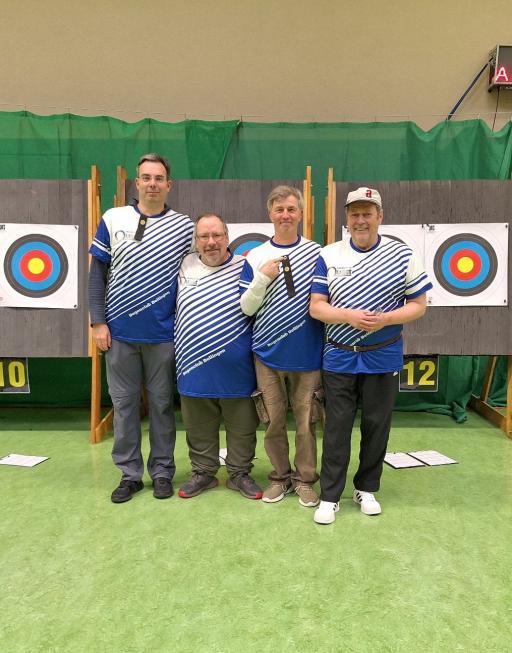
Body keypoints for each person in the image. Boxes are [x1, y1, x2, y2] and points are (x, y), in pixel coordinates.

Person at [309, 186, 433, 524]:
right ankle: (330, 495)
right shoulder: (329, 254)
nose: (360, 220)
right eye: (355, 214)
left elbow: (418, 305)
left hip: (383, 355)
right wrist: (348, 316)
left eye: (367, 213)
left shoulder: (403, 254)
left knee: (377, 426)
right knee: (336, 428)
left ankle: (366, 488)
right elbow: (317, 307)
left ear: (380, 216)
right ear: (347, 219)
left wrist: (386, 319)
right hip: (339, 356)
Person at [88, 153, 193, 503]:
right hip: (118, 334)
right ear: (137, 183)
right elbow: (97, 274)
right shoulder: (113, 217)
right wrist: (98, 321)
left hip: (163, 335)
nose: (152, 184)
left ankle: (162, 472)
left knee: (162, 405)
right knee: (124, 406)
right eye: (146, 177)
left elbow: (196, 272)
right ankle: (129, 474)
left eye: (159, 178)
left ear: (169, 185)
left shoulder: (184, 226)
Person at [240, 186, 324, 507]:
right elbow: (246, 307)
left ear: (301, 213)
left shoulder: (318, 253)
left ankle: (305, 479)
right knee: (273, 421)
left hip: (308, 354)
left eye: (291, 209)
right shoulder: (256, 256)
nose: (285, 215)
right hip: (267, 355)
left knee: (305, 422)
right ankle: (279, 477)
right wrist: (262, 278)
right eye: (279, 209)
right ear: (270, 214)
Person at [174, 214, 262, 500]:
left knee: (242, 426)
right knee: (197, 425)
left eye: (217, 235)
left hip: (237, 369)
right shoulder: (182, 266)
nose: (211, 242)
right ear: (196, 240)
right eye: (204, 236)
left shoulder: (246, 267)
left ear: (227, 237)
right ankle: (203, 473)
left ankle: (239, 474)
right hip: (192, 367)